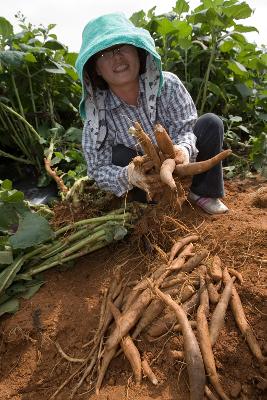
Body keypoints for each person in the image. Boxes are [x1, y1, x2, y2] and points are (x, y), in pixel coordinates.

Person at [75, 12, 229, 215]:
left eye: (122, 48)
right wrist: (130, 175)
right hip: (146, 180)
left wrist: (181, 152)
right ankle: (150, 203)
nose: (117, 57)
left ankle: (202, 192)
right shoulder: (98, 115)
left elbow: (186, 128)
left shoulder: (169, 85)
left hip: (181, 165)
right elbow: (97, 169)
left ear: (138, 53)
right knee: (119, 154)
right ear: (96, 70)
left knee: (210, 123)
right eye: (105, 54)